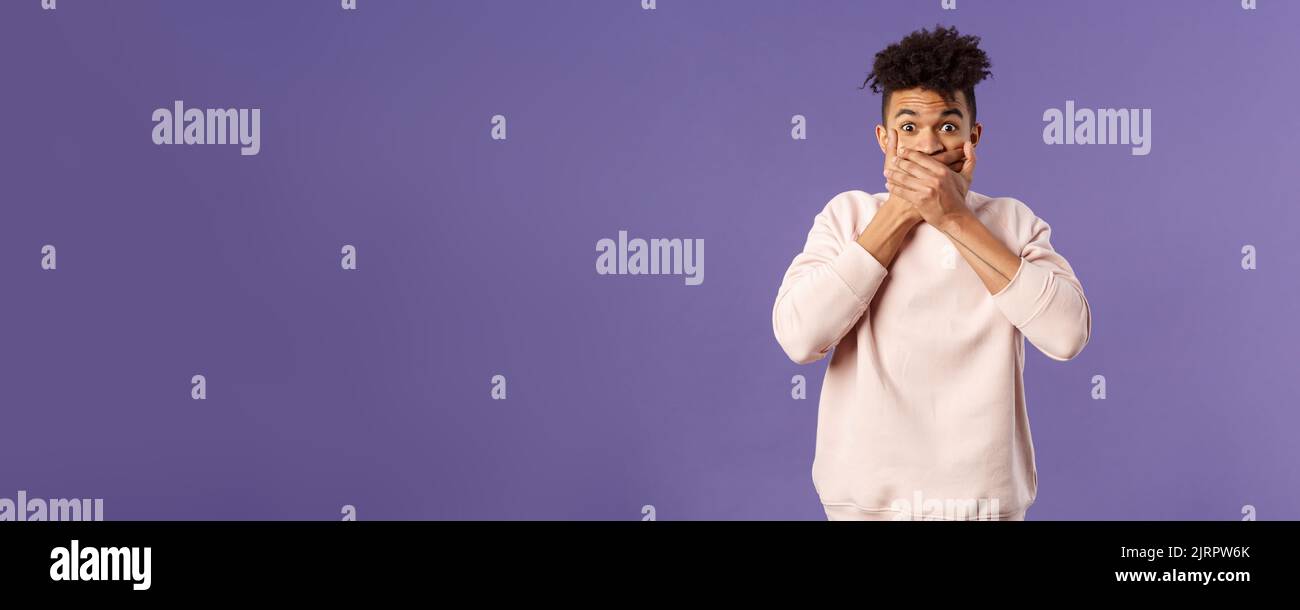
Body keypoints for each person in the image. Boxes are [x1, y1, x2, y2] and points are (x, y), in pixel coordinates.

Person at [772, 25, 1092, 521]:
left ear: (973, 136)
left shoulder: (1012, 222)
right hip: (864, 510)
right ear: (883, 140)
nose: (927, 146)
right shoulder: (848, 217)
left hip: (983, 511)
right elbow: (800, 336)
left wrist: (954, 219)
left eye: (946, 126)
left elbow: (1067, 334)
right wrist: (901, 213)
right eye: (907, 128)